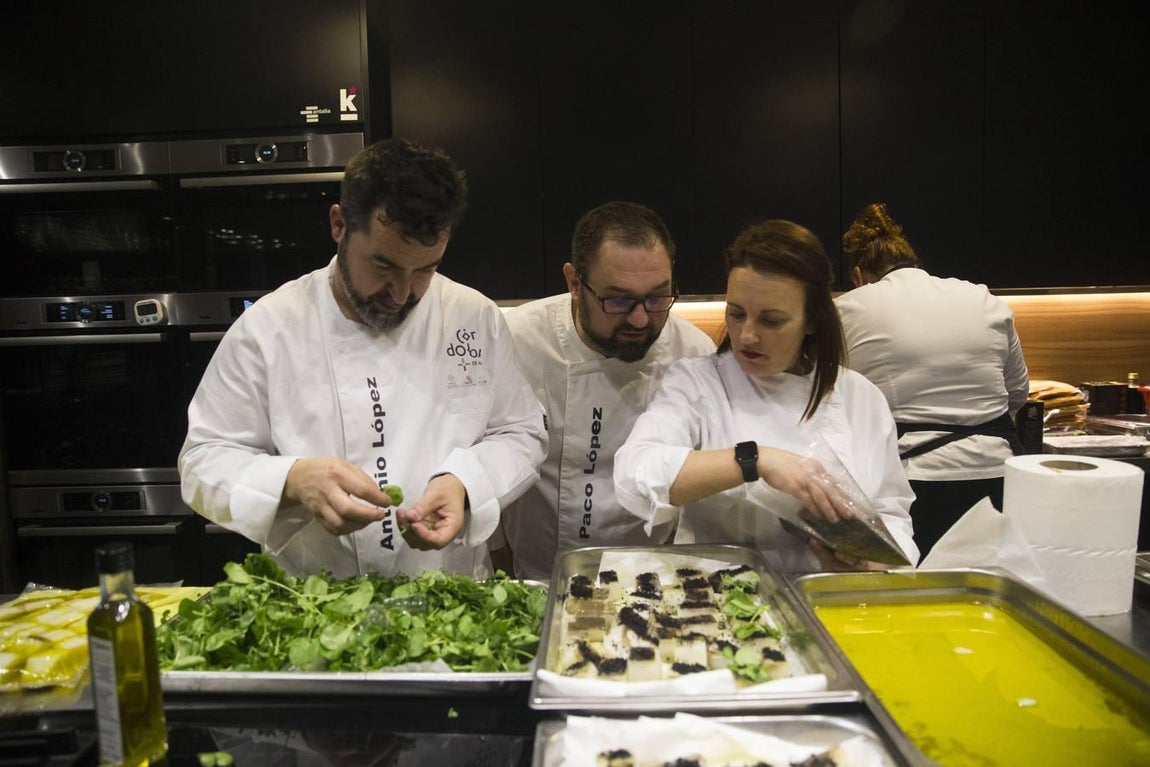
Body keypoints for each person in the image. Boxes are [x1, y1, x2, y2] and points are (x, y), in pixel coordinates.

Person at [178, 137, 548, 579]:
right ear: (339, 225)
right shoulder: (269, 328)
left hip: (450, 592)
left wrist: (465, 482)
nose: (403, 293)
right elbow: (203, 461)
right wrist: (293, 480)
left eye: (425, 269)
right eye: (383, 265)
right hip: (315, 601)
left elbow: (522, 432)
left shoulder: (473, 317)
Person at [614, 219, 918, 572]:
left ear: (812, 321)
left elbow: (892, 515)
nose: (746, 336)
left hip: (829, 595)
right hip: (719, 595)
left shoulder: (860, 397)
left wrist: (865, 561)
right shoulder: (698, 383)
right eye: (736, 313)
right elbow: (636, 473)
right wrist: (755, 460)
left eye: (771, 321)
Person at [491, 201, 716, 580]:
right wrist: (496, 554)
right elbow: (488, 450)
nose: (640, 319)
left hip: (651, 577)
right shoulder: (518, 340)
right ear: (574, 283)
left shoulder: (693, 353)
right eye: (619, 300)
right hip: (536, 577)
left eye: (657, 297)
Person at [835, 202, 1029, 556]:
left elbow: (830, 402)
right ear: (915, 264)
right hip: (999, 475)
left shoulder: (848, 308)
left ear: (859, 275)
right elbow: (1017, 393)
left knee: (921, 584)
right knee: (992, 581)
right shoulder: (983, 297)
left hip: (916, 482)